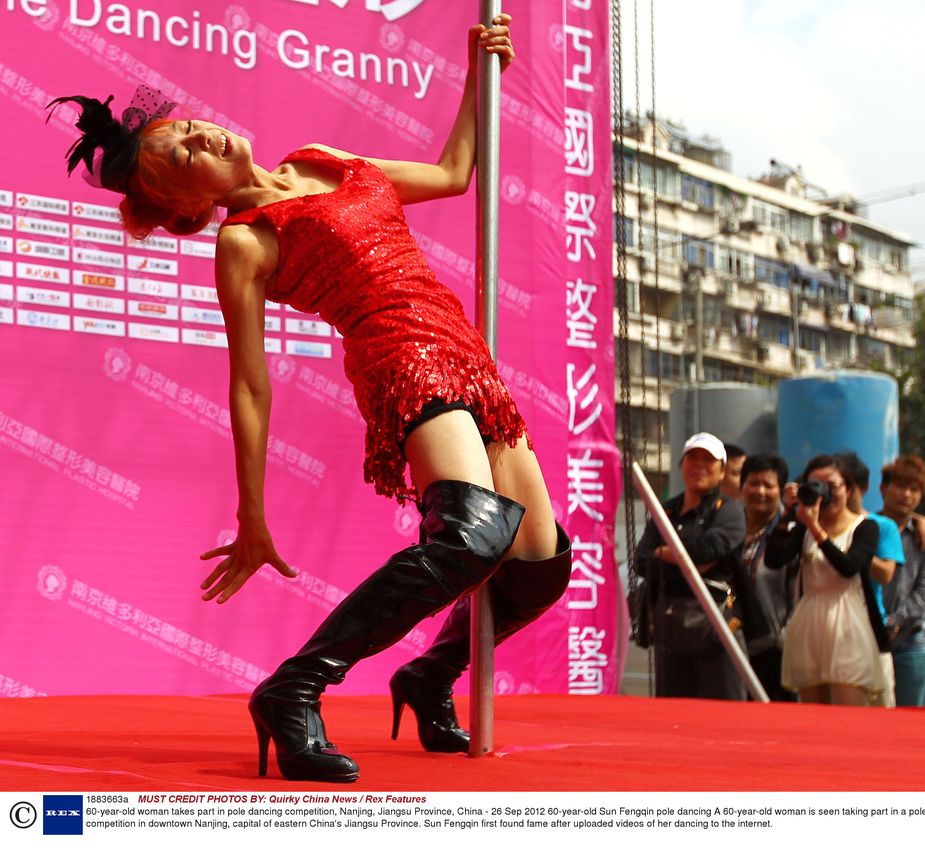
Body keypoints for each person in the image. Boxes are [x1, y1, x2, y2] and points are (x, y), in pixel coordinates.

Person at [50, 15, 572, 783]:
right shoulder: (244, 241)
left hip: (464, 352)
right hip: (400, 360)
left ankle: (427, 676)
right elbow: (250, 383)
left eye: (191, 126)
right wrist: (251, 513)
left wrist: (475, 69)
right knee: (471, 531)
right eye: (185, 153)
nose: (205, 137)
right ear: (190, 208)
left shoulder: (322, 158)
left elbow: (457, 171)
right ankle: (296, 687)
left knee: (540, 564)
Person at [635, 432, 748, 700]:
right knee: (672, 715)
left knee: (724, 716)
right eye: (692, 458)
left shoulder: (728, 510)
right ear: (681, 466)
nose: (699, 465)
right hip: (669, 629)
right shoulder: (667, 511)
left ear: (722, 472)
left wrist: (667, 552)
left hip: (717, 631)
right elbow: (642, 560)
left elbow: (715, 547)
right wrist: (691, 562)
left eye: (708, 460)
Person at [765, 455, 883, 705]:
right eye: (815, 485)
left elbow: (849, 567)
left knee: (848, 712)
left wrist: (816, 529)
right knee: (812, 715)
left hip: (848, 623)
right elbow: (774, 560)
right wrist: (787, 514)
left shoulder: (865, 527)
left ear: (848, 489)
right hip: (810, 622)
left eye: (832, 486)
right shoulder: (802, 527)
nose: (824, 493)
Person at [836, 451, 903, 707]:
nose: (840, 494)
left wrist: (855, 548)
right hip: (829, 628)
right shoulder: (819, 527)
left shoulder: (881, 526)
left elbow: (886, 573)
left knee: (879, 705)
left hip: (869, 625)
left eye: (846, 486)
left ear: (862, 487)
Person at [879, 455, 925, 706]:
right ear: (884, 488)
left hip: (910, 642)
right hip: (867, 640)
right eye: (901, 486)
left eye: (914, 489)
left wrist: (895, 620)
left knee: (910, 728)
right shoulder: (867, 528)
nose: (906, 494)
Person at [738, 453, 795, 701]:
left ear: (780, 490)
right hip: (731, 645)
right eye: (753, 483)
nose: (760, 491)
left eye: (768, 485)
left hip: (775, 650)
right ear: (742, 486)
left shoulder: (789, 533)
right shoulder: (728, 529)